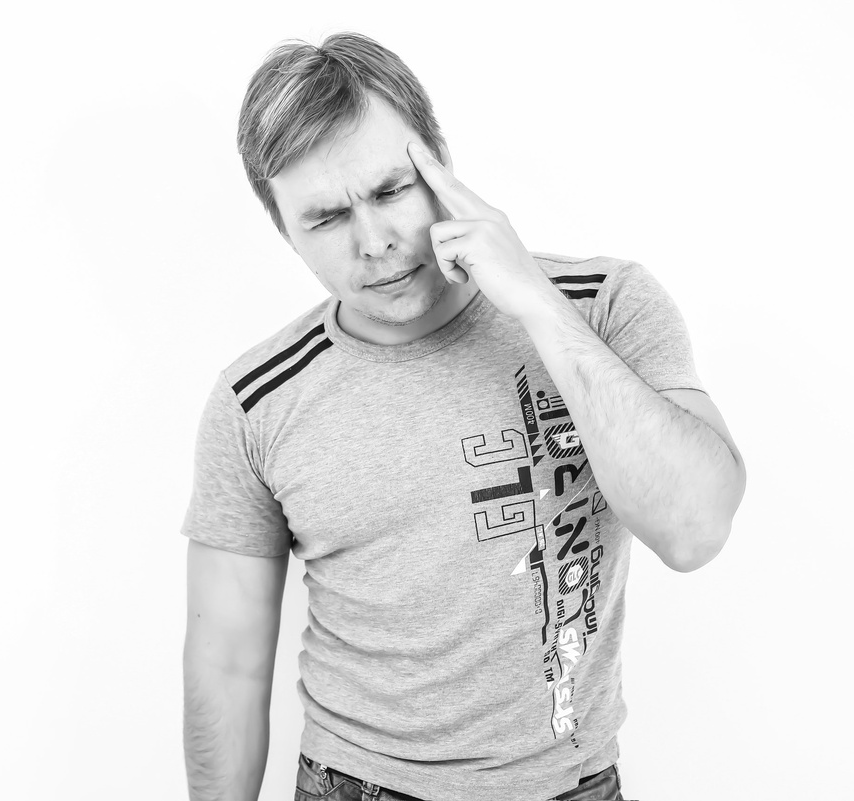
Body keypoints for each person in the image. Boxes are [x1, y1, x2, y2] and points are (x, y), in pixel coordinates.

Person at [181, 32, 746, 801]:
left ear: (441, 165)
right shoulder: (257, 400)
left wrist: (536, 304)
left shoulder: (604, 306)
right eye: (326, 218)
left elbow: (695, 528)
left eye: (390, 191)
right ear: (285, 230)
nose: (375, 242)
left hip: (574, 784)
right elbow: (227, 666)